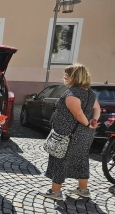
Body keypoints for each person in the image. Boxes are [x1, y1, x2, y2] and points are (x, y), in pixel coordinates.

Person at [39, 64, 100, 201]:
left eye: (67, 74)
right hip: (83, 135)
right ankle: (83, 189)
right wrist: (94, 121)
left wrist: (87, 123)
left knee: (60, 159)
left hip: (69, 134)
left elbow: (78, 113)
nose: (64, 76)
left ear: (75, 77)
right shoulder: (89, 93)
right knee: (81, 159)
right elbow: (97, 108)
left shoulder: (72, 94)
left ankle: (55, 191)